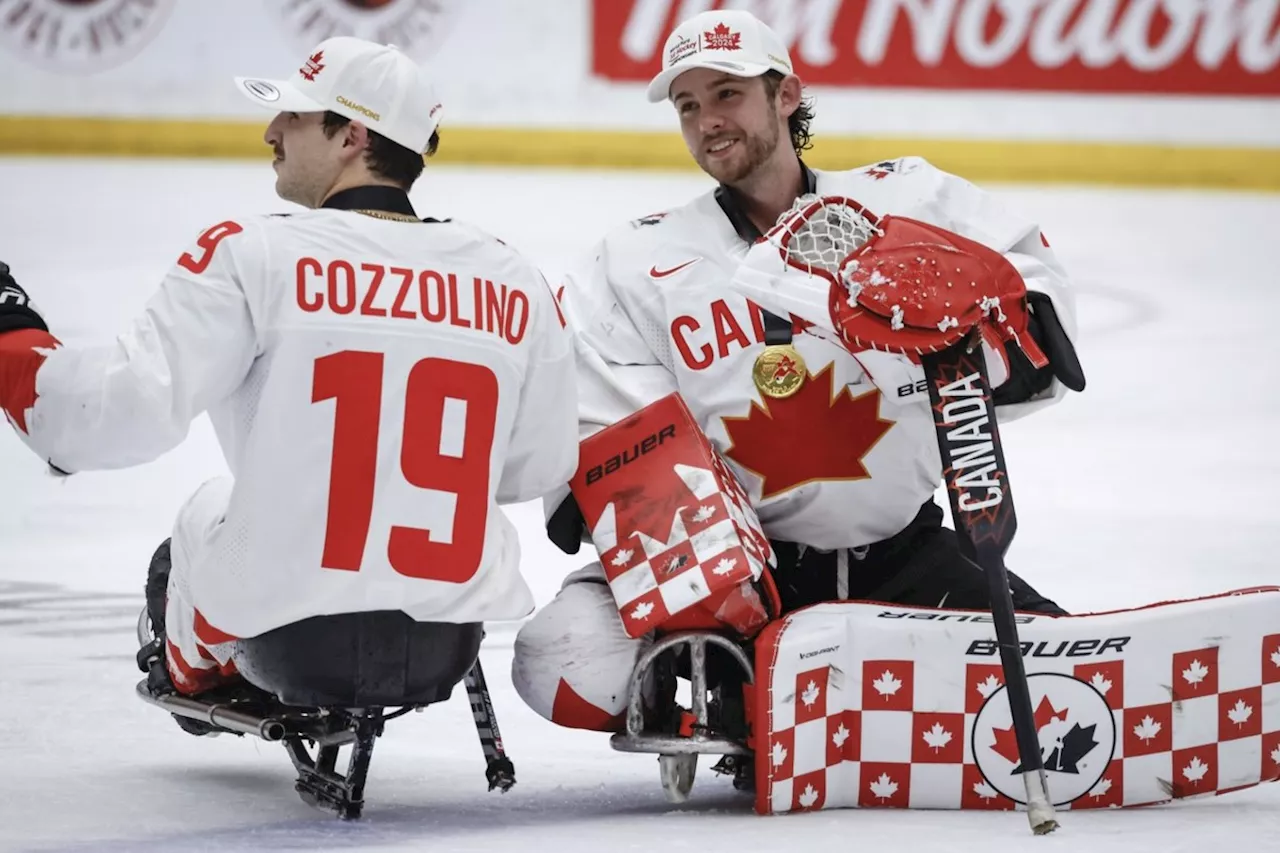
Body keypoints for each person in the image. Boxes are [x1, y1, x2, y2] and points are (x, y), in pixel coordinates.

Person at [511, 10, 1086, 734]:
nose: (706, 122)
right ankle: (736, 688)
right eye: (688, 106)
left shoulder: (907, 200)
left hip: (899, 556)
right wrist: (698, 580)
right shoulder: (634, 258)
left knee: (1073, 685)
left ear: (786, 95)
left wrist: (967, 327)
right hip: (741, 583)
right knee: (559, 657)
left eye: (727, 94)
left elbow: (1039, 331)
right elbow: (597, 432)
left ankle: (798, 696)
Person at [0, 36, 577, 731]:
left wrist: (14, 337)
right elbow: (535, 467)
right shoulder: (511, 276)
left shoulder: (254, 254)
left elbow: (112, 414)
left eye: (296, 116)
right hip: (444, 644)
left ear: (353, 135)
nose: (271, 131)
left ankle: (195, 663)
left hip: (287, 640)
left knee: (205, 513)